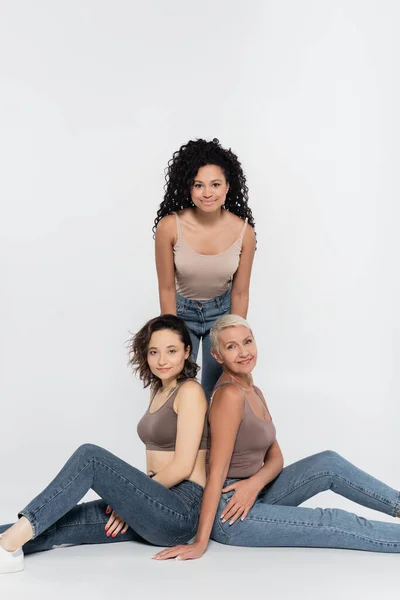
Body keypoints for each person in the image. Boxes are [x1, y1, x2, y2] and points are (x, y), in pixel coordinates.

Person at [153, 314, 400, 560]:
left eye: (247, 342)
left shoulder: (253, 390)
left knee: (328, 463)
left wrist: (254, 484)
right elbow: (216, 471)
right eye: (231, 347)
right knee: (333, 519)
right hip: (229, 512)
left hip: (255, 490)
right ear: (217, 356)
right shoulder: (230, 395)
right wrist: (200, 542)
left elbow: (276, 457)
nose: (243, 352)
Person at [0, 315, 208, 574]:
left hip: (178, 511)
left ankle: (6, 546)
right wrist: (134, 500)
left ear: (187, 352)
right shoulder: (159, 390)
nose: (162, 360)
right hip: (153, 500)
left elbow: (183, 467)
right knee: (60, 522)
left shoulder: (190, 392)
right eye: (154, 352)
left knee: (91, 457)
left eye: (172, 351)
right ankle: (6, 544)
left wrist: (131, 500)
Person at [154, 138, 256, 401]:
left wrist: (233, 337)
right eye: (199, 185)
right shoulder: (169, 227)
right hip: (181, 312)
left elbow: (241, 294)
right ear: (189, 186)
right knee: (178, 391)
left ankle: (215, 443)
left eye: (215, 184)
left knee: (219, 392)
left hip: (221, 314)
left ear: (227, 187)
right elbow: (166, 287)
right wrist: (171, 336)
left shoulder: (245, 233)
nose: (207, 193)